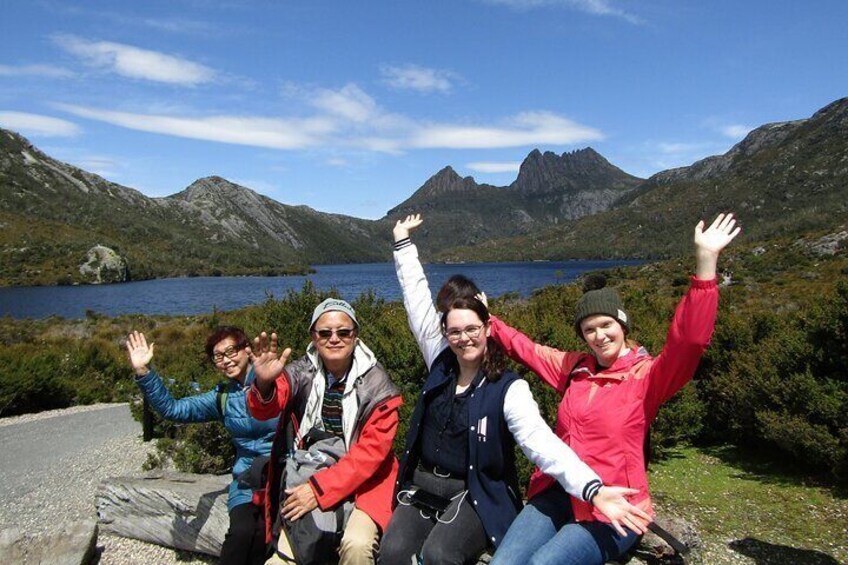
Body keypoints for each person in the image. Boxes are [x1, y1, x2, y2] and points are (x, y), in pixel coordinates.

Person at [380, 215, 651, 565]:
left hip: (473, 491)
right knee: (391, 552)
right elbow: (415, 300)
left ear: (489, 327)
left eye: (473, 329)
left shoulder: (507, 388)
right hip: (424, 483)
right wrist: (403, 244)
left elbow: (542, 443)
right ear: (444, 332)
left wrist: (592, 489)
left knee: (439, 554)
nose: (464, 338)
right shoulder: (441, 360)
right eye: (455, 331)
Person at [486, 213, 741, 565]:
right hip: (560, 490)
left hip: (615, 507)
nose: (599, 335)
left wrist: (706, 265)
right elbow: (525, 348)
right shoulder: (575, 369)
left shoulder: (646, 377)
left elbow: (690, 341)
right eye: (589, 329)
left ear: (622, 324)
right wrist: (487, 320)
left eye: (606, 324)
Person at [246, 298, 402, 565]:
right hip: (311, 471)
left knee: (357, 546)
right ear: (313, 337)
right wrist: (262, 382)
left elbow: (370, 455)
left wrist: (317, 491)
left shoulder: (378, 386)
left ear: (355, 336)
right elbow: (267, 405)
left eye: (343, 332)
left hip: (366, 481)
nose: (334, 339)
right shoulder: (301, 372)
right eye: (325, 332)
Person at [126, 326, 276, 565]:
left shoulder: (279, 382)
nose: (226, 360)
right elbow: (173, 409)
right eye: (219, 356)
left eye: (231, 351)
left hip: (286, 476)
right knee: (241, 535)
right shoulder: (222, 397)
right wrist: (144, 371)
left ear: (248, 350)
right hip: (248, 481)